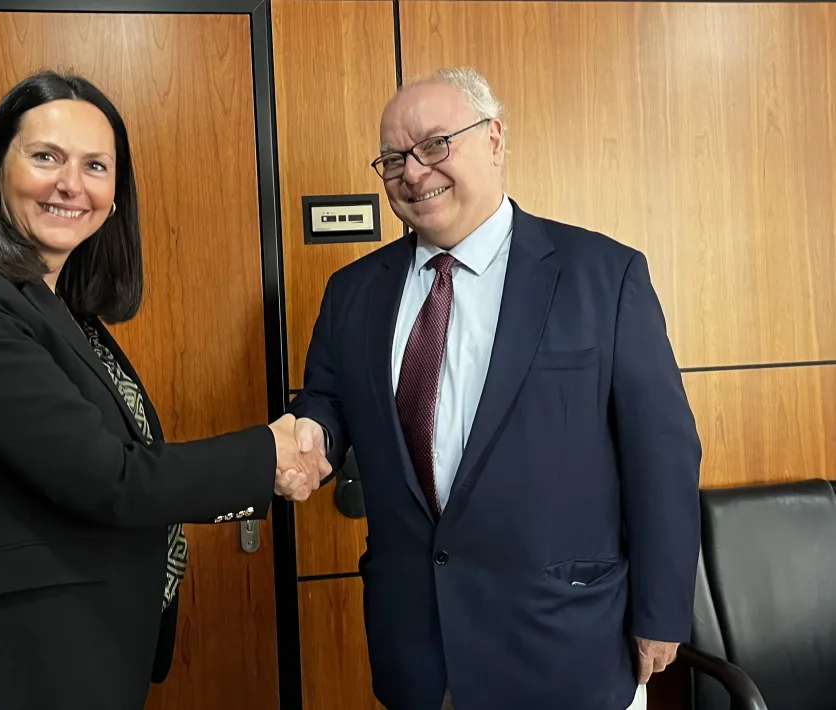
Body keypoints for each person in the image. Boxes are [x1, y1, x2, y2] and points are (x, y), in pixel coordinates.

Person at [0, 70, 327, 710]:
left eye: (95, 166)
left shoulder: (63, 309)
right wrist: (267, 455)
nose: (72, 184)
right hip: (12, 665)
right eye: (47, 157)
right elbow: (104, 476)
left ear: (116, 196)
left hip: (81, 650)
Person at [287, 67, 702, 709]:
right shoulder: (353, 292)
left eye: (435, 145)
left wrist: (662, 610)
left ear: (495, 139)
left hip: (566, 643)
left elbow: (663, 453)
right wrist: (313, 431)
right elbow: (329, 398)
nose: (414, 173)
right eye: (393, 159)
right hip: (420, 650)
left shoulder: (603, 274)